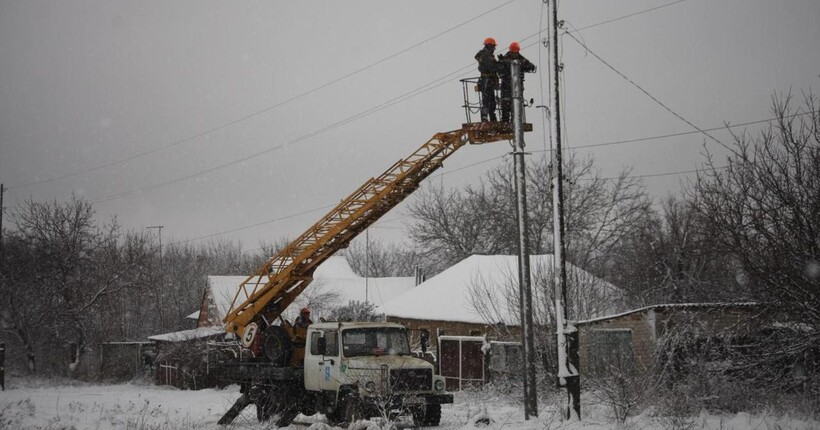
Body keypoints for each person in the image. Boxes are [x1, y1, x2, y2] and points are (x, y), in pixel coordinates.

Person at [498, 42, 536, 123]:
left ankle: (514, 122)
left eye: (516, 52)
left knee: (515, 107)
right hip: (507, 87)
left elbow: (531, 66)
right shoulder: (505, 59)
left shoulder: (520, 59)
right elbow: (499, 70)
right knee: (506, 106)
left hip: (516, 87)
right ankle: (506, 122)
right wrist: (504, 62)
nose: (515, 54)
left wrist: (522, 65)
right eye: (513, 52)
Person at [474, 37, 501, 122]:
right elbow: (491, 67)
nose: (494, 48)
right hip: (487, 80)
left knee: (490, 101)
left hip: (487, 80)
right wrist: (499, 65)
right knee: (487, 101)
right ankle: (486, 117)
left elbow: (492, 66)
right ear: (489, 46)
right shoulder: (486, 56)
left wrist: (499, 63)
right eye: (493, 46)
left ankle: (491, 117)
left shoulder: (485, 55)